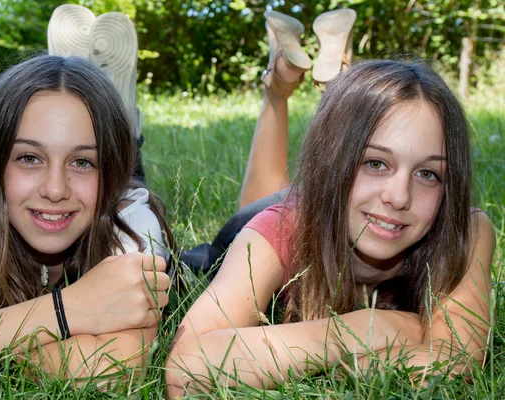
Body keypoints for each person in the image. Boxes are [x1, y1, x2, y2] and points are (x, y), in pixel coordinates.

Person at [166, 10, 496, 397]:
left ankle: (335, 89)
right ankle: (280, 84)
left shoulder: (466, 230)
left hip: (332, 203)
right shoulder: (275, 232)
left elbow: (454, 364)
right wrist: (370, 328)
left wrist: (334, 365)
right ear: (337, 163)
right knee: (263, 204)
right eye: (375, 163)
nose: (399, 196)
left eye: (428, 174)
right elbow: (186, 372)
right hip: (287, 218)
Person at [0, 55, 172, 380]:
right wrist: (71, 309)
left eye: (82, 162)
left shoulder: (132, 225)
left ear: (108, 169)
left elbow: (113, 372)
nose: (55, 189)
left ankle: (128, 136)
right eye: (29, 157)